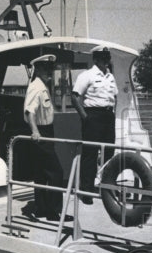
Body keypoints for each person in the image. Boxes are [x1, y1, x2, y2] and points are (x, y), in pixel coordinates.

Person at [71, 45, 118, 204]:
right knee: (90, 155)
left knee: (109, 152)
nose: (106, 61)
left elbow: (115, 97)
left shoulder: (110, 77)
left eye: (107, 58)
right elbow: (75, 97)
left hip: (107, 116)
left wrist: (112, 114)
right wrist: (86, 117)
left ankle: (107, 187)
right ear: (96, 59)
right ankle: (86, 191)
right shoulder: (87, 75)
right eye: (103, 58)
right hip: (93, 115)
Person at [21, 54, 65, 219]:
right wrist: (35, 131)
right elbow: (29, 112)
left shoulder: (42, 86)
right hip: (41, 133)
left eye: (50, 69)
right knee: (56, 173)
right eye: (46, 68)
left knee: (41, 173)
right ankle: (53, 212)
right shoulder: (36, 87)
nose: (49, 72)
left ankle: (41, 208)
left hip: (46, 131)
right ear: (38, 69)